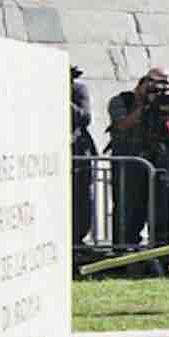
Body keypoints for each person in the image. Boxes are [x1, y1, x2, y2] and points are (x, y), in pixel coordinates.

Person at [107, 67, 169, 256]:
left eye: (164, 84)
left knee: (163, 209)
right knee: (128, 209)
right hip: (130, 163)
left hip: (163, 162)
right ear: (141, 83)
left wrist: (168, 102)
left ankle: (160, 251)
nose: (158, 90)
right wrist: (144, 103)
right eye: (153, 84)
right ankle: (124, 251)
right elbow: (123, 124)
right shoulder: (123, 100)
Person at [71, 65, 97, 246]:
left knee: (81, 197)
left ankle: (79, 237)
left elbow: (84, 117)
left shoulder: (78, 90)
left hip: (79, 150)